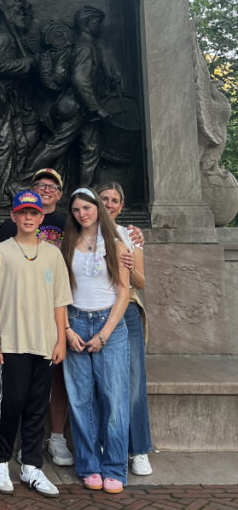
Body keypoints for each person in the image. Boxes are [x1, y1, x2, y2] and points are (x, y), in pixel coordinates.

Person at [0, 190, 72, 497]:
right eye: (22, 213)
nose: (28, 218)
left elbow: (60, 302)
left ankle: (32, 466)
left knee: (37, 405)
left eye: (33, 213)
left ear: (41, 217)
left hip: (44, 342)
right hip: (12, 340)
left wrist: (60, 339)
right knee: (11, 403)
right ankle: (0, 460)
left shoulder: (53, 254)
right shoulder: (1, 252)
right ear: (13, 216)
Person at [62, 187, 131, 493]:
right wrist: (66, 329)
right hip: (76, 321)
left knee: (114, 399)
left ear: (97, 208)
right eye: (76, 210)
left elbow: (124, 292)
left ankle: (115, 466)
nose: (82, 214)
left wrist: (104, 334)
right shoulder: (67, 244)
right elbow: (60, 293)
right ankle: (89, 465)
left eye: (86, 208)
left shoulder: (116, 243)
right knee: (80, 400)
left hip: (109, 325)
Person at [99, 182, 153, 477]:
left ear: (121, 206)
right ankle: (109, 442)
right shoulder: (84, 233)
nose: (108, 204)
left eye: (114, 200)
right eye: (104, 198)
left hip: (127, 310)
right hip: (96, 313)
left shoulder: (130, 235)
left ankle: (139, 448)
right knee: (102, 382)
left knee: (133, 382)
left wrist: (131, 266)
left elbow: (141, 282)